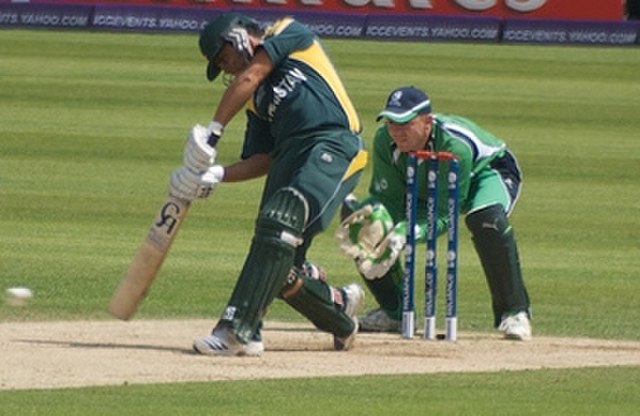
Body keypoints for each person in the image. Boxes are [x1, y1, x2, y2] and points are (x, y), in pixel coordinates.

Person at [168, 12, 368, 356]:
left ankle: (235, 331)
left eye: (225, 59)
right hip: (288, 158)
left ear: (239, 37)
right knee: (278, 266)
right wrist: (217, 174)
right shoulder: (256, 99)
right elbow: (262, 158)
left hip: (332, 144)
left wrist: (213, 133)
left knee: (280, 219)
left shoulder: (289, 33)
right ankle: (342, 316)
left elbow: (252, 72)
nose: (228, 70)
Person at [336, 86, 532, 341]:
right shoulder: (386, 140)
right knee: (366, 221)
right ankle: (394, 313)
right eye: (392, 122)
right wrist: (377, 223)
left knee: (486, 220)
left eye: (405, 123)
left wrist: (408, 232)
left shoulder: (455, 145)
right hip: (427, 176)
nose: (397, 131)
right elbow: (389, 201)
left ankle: (515, 312)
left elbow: (443, 216)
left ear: (427, 122)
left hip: (485, 173)